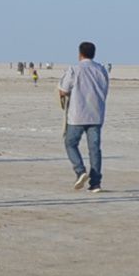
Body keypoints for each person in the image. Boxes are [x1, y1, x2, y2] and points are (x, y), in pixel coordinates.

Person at [59, 41, 109, 191]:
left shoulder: (75, 69)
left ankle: (80, 171)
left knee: (70, 143)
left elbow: (63, 89)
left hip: (77, 114)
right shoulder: (101, 70)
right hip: (96, 114)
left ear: (80, 54)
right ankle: (95, 183)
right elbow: (105, 89)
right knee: (94, 149)